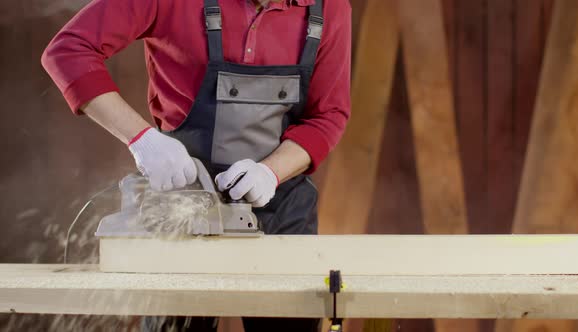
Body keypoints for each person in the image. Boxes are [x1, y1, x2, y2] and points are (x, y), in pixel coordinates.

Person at [42, 0, 351, 330]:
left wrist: (270, 172)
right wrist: (142, 139)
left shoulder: (329, 8)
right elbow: (68, 51)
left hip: (280, 209)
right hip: (182, 205)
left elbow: (328, 114)